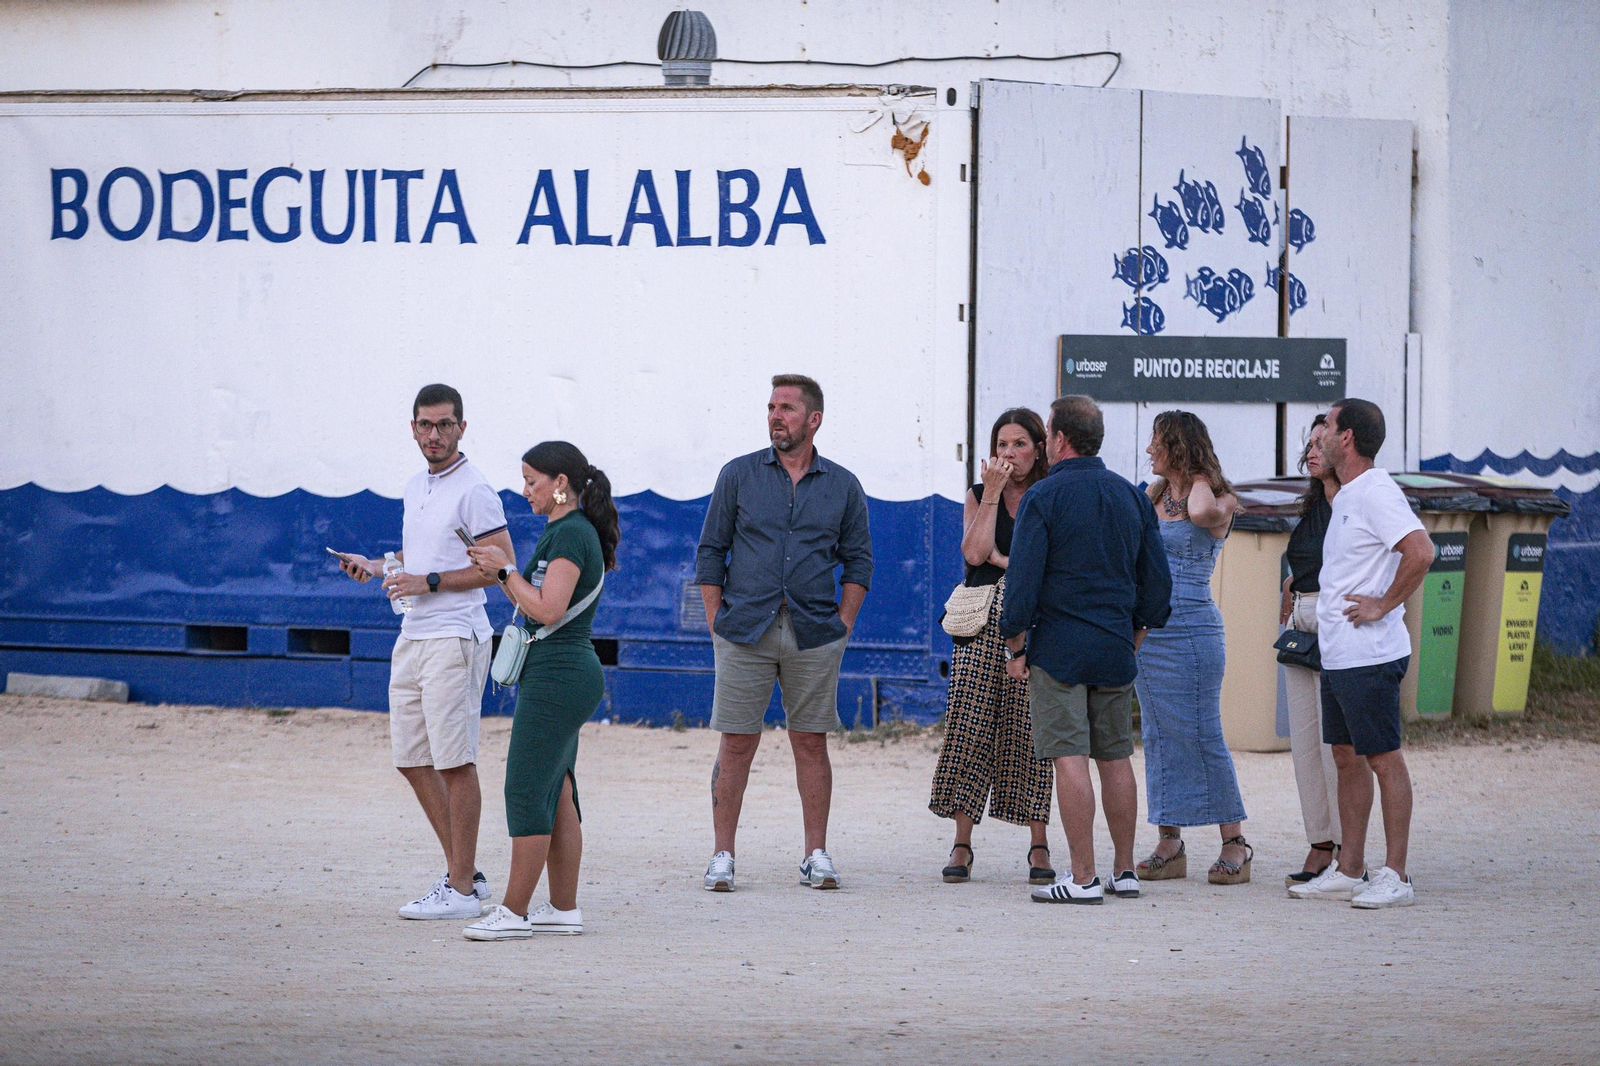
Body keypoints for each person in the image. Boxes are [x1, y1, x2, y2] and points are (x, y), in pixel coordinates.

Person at [334, 383, 514, 920]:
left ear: (462, 427)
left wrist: (427, 581)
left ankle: (459, 889)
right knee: (413, 760)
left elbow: (499, 561)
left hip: (455, 635)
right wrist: (380, 565)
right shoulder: (417, 485)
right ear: (412, 428)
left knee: (455, 762)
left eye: (444, 424)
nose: (434, 434)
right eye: (425, 425)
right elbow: (422, 554)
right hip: (413, 634)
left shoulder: (475, 489)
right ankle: (467, 876)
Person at [696, 374, 874, 892]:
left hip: (814, 633)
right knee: (735, 745)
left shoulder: (843, 485)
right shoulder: (738, 475)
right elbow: (711, 551)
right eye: (772, 407)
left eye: (788, 409)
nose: (776, 416)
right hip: (742, 631)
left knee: (811, 743)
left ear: (813, 420)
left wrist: (843, 624)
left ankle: (815, 854)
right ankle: (722, 855)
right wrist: (715, 623)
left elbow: (860, 560)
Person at [1000, 395, 1172, 904]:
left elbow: (1022, 582)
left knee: (1069, 757)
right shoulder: (1133, 497)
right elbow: (1158, 589)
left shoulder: (1044, 497)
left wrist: (1015, 645)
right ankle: (1124, 871)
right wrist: (1134, 635)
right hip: (1116, 646)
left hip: (1058, 649)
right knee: (1116, 757)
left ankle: (1081, 877)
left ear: (1057, 439)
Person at [459, 442, 619, 938]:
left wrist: (504, 571)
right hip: (562, 672)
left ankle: (512, 912)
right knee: (557, 789)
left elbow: (548, 609)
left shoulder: (571, 535)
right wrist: (499, 573)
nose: (525, 490)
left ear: (561, 485)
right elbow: (537, 603)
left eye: (532, 481)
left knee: (526, 787)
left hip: (558, 674)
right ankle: (563, 908)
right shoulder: (569, 531)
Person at [1290, 398, 1432, 909]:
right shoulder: (1347, 493)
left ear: (1345, 437)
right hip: (1340, 654)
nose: (1319, 434)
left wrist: (1383, 605)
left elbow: (1422, 551)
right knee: (1346, 758)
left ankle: (1396, 874)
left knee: (1383, 759)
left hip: (1371, 654)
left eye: (1325, 425)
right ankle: (1350, 869)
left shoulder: (1375, 491)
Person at [928, 408, 1056, 885]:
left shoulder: (1047, 494)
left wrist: (1008, 561)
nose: (1009, 454)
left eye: (1019, 444)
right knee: (970, 723)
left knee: (1031, 730)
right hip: (981, 620)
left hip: (1035, 622)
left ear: (1039, 448)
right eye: (1002, 445)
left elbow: (1048, 563)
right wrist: (994, 497)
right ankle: (962, 842)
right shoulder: (981, 494)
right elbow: (974, 553)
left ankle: (1038, 844)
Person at [1134, 410, 1252, 885]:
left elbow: (1201, 513)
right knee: (1159, 734)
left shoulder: (1216, 498)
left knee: (1203, 732)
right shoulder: (1155, 494)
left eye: (1157, 443)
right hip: (1152, 633)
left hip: (1193, 628)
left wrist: (1197, 475)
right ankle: (1170, 841)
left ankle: (1235, 843)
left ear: (1178, 448)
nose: (1148, 451)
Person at [1280, 415, 1344, 886]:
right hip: (1301, 622)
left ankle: (1347, 847)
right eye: (1311, 441)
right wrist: (1290, 584)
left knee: (1335, 743)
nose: (1312, 449)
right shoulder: (1313, 503)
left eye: (1323, 441)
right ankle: (1320, 841)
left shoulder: (1353, 500)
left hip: (1338, 624)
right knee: (1304, 742)